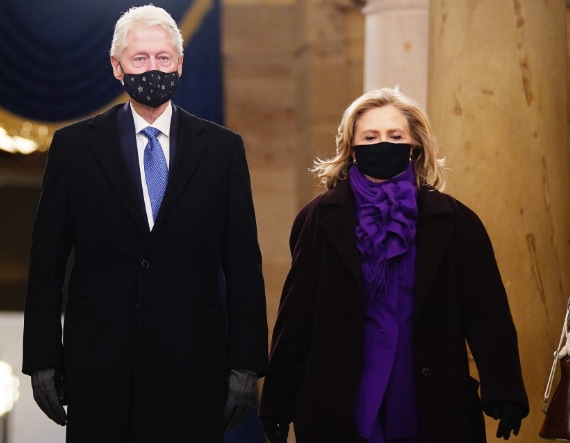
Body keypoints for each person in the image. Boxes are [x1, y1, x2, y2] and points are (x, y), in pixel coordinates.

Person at [22, 5, 268, 443]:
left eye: (162, 58)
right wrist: (42, 356)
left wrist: (247, 362)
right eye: (139, 59)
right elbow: (46, 262)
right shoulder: (74, 147)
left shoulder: (222, 149)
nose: (152, 68)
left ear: (180, 64)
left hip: (193, 367)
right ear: (117, 67)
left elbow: (244, 263)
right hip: (99, 368)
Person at [258, 88, 529, 443]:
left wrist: (505, 389)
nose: (382, 144)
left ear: (414, 144)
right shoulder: (318, 219)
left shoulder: (455, 220)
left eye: (395, 136)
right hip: (340, 394)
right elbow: (295, 315)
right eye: (370, 137)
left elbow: (487, 312)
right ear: (351, 148)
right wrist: (278, 401)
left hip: (428, 395)